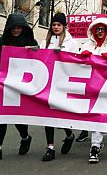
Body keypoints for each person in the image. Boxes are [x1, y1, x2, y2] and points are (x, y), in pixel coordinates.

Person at [0, 14, 38, 162]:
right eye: (13, 28)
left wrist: (33, 50)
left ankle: (25, 137)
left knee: (17, 117)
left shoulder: (30, 42)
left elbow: (40, 57)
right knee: (0, 117)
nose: (16, 30)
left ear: (23, 28)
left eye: (19, 27)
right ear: (8, 28)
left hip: (21, 88)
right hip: (2, 87)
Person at [80, 17, 107, 164]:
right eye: (97, 29)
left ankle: (95, 146)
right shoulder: (86, 45)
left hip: (106, 86)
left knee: (98, 115)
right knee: (90, 115)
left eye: (102, 29)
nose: (99, 32)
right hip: (88, 86)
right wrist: (82, 57)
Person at [38, 12, 79, 161]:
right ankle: (50, 147)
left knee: (61, 115)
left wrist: (60, 55)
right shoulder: (45, 42)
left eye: (58, 25)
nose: (56, 27)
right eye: (54, 25)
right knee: (47, 116)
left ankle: (69, 135)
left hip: (63, 83)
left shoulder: (71, 43)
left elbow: (75, 62)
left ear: (64, 26)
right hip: (48, 83)